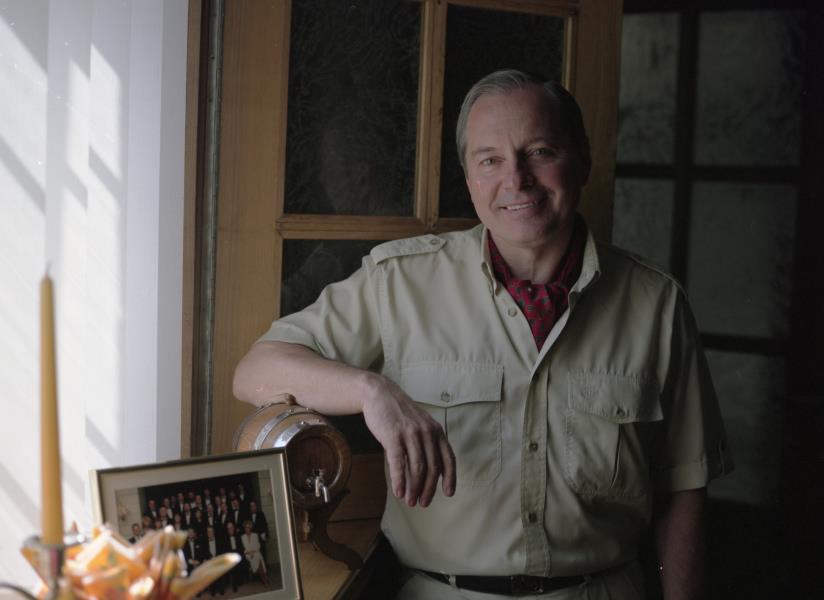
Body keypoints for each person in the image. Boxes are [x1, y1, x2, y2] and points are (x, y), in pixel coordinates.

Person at [233, 69, 732, 599]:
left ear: (582, 160)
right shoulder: (398, 281)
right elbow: (255, 371)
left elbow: (683, 489)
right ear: (468, 178)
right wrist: (370, 391)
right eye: (490, 160)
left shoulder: (657, 303)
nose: (516, 180)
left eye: (540, 152)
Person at [240, 520, 269, 586]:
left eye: (248, 527)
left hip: (255, 552)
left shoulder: (255, 535)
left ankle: (264, 579)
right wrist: (249, 552)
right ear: (244, 528)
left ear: (251, 528)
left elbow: (258, 546)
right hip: (248, 554)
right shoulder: (242, 537)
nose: (247, 529)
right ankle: (265, 578)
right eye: (246, 527)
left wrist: (253, 552)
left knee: (257, 556)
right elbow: (244, 548)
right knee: (258, 558)